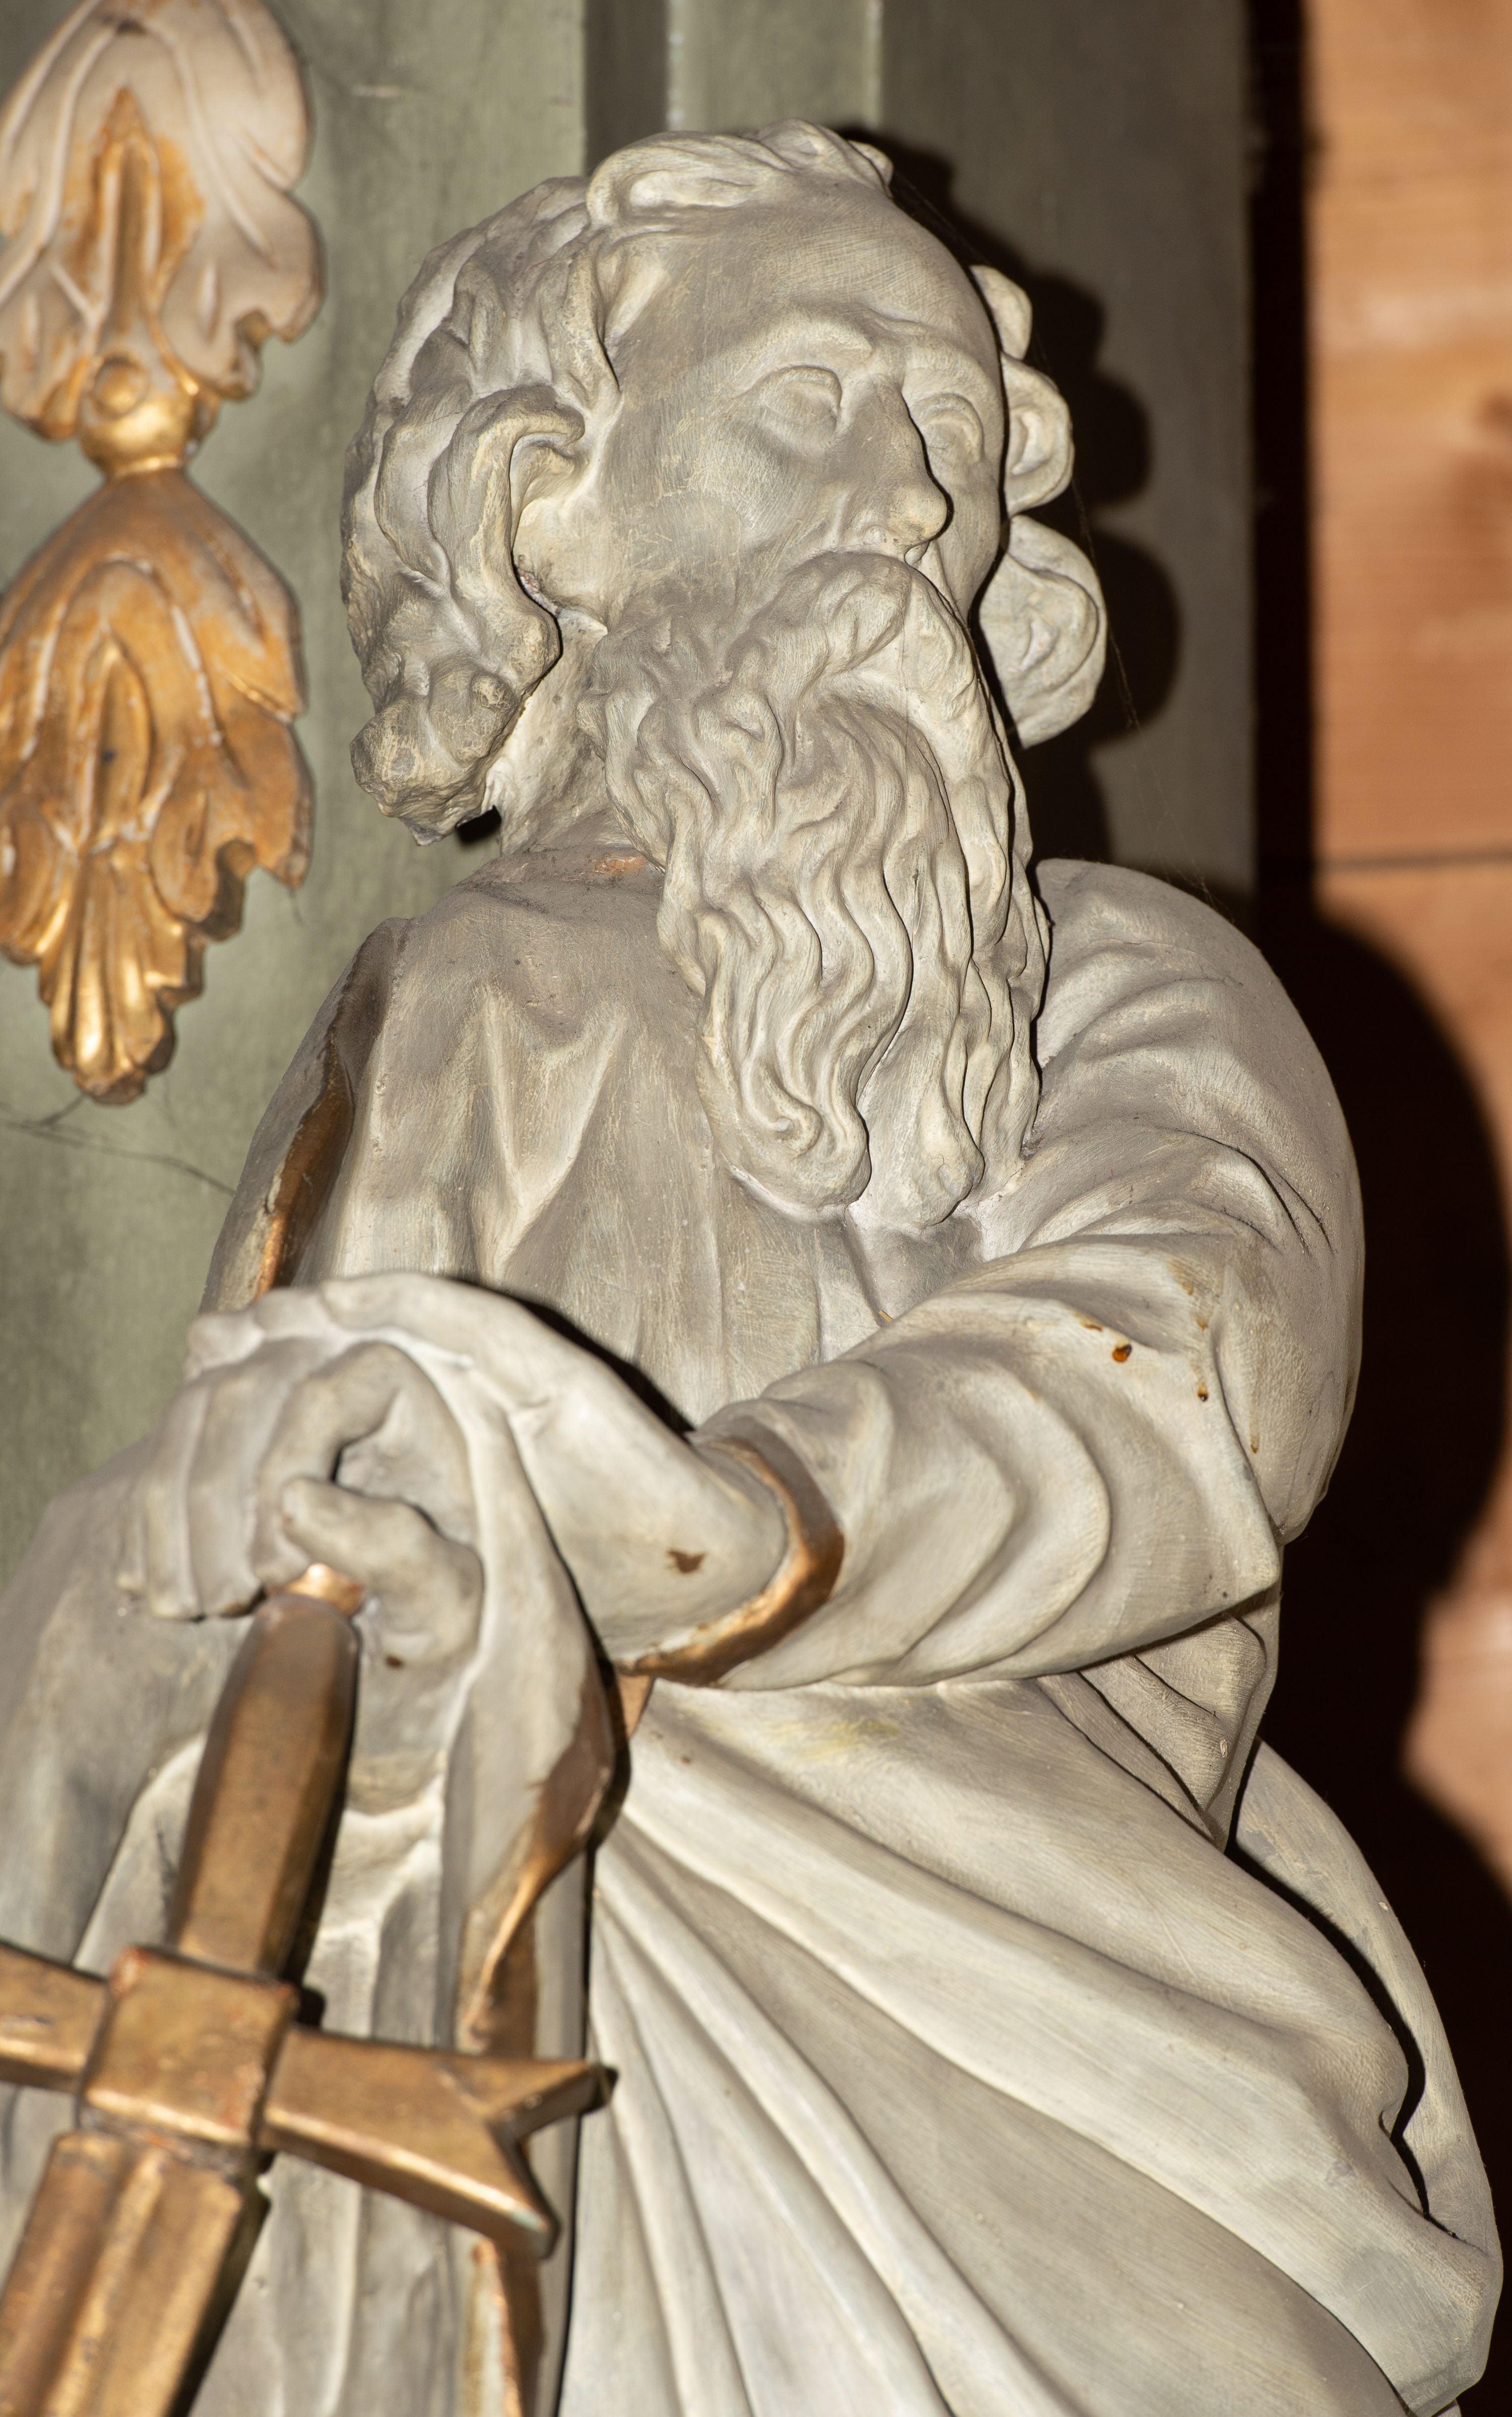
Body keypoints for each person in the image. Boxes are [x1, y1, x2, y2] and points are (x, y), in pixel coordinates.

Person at [0, 122, 1497, 2416]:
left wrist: (732, 1526)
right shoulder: (455, 998)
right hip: (549, 1979)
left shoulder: (1117, 983)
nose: (908, 494)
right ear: (556, 514)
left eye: (958, 439)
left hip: (1083, 2059)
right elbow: (292, 1573)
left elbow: (1194, 1363)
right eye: (814, 398)